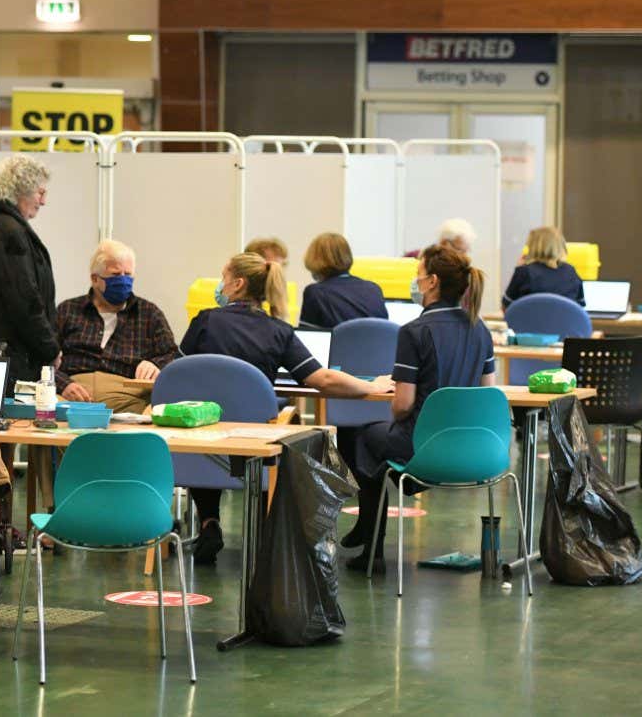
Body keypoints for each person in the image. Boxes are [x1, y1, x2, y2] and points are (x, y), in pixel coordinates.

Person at [180, 252, 392, 564]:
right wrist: (372, 386)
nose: (220, 285)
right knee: (281, 427)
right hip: (256, 440)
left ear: (237, 285)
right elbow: (324, 379)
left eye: (223, 278)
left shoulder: (205, 320)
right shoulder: (278, 331)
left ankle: (210, 521)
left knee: (209, 428)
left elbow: (178, 368)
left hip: (202, 439)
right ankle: (266, 530)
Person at [339, 243, 495, 572]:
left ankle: (372, 538)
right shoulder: (480, 330)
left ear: (432, 282)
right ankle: (378, 516)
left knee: (360, 435)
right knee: (377, 445)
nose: (415, 280)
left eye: (418, 274)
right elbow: (487, 393)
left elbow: (403, 405)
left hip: (422, 446)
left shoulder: (414, 332)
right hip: (473, 451)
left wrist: (396, 405)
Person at [56, 239, 177, 412]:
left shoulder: (149, 313)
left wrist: (155, 364)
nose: (123, 280)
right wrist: (63, 385)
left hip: (127, 398)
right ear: (95, 279)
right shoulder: (67, 310)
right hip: (70, 394)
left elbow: (172, 354)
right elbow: (43, 357)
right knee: (45, 412)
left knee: (150, 416)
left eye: (128, 274)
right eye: (115, 275)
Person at [0, 153, 59, 387]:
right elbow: (24, 298)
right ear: (21, 190)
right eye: (40, 192)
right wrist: (50, 348)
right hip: (13, 353)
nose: (43, 201)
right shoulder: (9, 232)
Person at [298, 232, 388, 329]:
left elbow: (309, 336)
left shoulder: (315, 293)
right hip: (377, 344)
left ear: (314, 259)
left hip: (338, 344)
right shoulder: (374, 289)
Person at [502, 226, 584, 308]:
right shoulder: (571, 272)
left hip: (530, 320)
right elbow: (580, 306)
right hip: (566, 321)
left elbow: (506, 305)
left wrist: (518, 267)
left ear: (533, 247)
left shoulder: (524, 272)